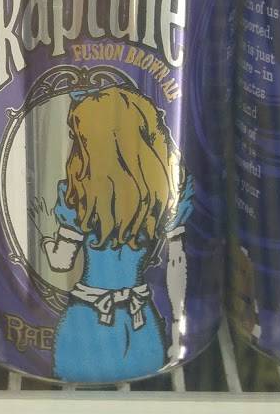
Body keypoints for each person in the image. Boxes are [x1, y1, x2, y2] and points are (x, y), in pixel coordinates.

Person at [40, 86, 192, 382]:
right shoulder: (163, 194)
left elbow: (60, 262)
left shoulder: (79, 197)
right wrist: (178, 328)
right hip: (142, 319)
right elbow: (177, 263)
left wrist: (46, 243)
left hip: (86, 321)